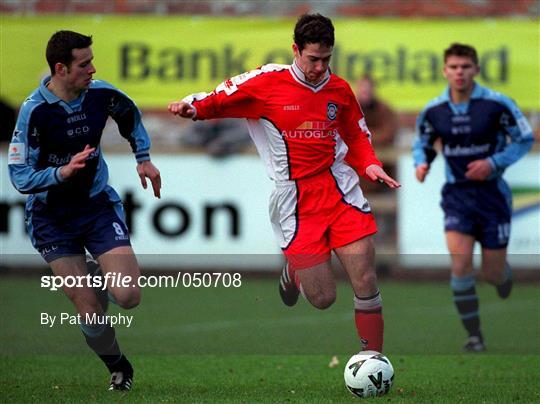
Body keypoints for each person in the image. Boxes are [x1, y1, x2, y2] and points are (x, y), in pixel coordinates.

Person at [169, 14, 400, 353]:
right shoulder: (267, 82)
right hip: (294, 198)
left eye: (326, 59)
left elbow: (356, 134)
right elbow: (221, 97)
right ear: (295, 49)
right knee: (323, 298)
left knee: (365, 275)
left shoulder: (339, 90)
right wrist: (193, 108)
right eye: (313, 59)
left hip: (340, 190)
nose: (320, 67)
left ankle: (373, 359)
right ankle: (294, 272)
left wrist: (370, 164)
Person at [8, 30, 161, 390]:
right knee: (90, 310)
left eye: (91, 61)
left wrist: (144, 158)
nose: (92, 69)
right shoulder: (34, 112)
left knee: (128, 296)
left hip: (95, 207)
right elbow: (19, 175)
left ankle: (98, 270)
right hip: (52, 219)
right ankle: (119, 367)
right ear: (60, 69)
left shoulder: (101, 94)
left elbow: (129, 115)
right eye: (84, 63)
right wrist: (61, 172)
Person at [413, 43, 534, 352]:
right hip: (457, 197)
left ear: (476, 70)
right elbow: (423, 141)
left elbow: (524, 138)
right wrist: (422, 163)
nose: (459, 73)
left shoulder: (496, 104)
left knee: (491, 274)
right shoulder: (434, 111)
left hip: (492, 196)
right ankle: (475, 336)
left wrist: (493, 163)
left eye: (465, 67)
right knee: (461, 264)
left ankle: (501, 274)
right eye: (453, 67)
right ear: (444, 71)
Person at [356, 75, 398, 147]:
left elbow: (388, 134)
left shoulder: (384, 109)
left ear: (373, 89)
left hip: (381, 151)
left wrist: (363, 136)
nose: (365, 91)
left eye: (368, 89)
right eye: (363, 89)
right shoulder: (351, 109)